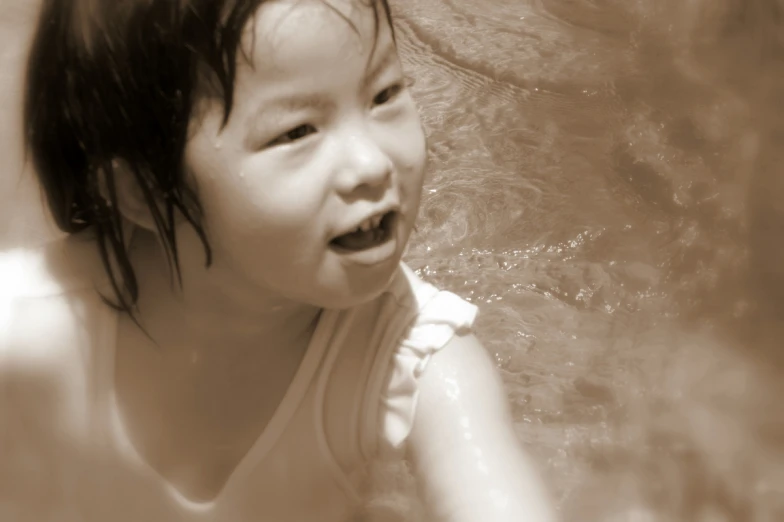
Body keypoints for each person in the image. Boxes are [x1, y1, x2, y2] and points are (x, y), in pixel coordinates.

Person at [0, 0, 555, 520]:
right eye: (297, 131)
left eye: (383, 95)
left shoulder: (412, 360)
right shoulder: (27, 331)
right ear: (146, 193)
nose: (371, 163)